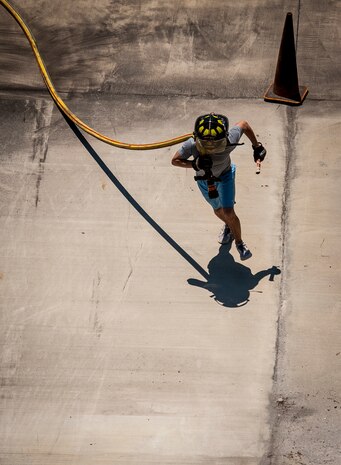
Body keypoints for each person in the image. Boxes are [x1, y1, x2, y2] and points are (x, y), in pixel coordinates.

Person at [171, 113, 266, 260]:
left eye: (215, 145)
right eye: (207, 145)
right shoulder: (191, 144)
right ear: (198, 139)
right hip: (204, 180)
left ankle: (239, 243)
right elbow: (175, 161)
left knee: (228, 211)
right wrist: (194, 164)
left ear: (224, 137)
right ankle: (229, 226)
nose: (211, 149)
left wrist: (257, 146)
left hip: (225, 176)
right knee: (217, 210)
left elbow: (244, 124)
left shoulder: (230, 139)